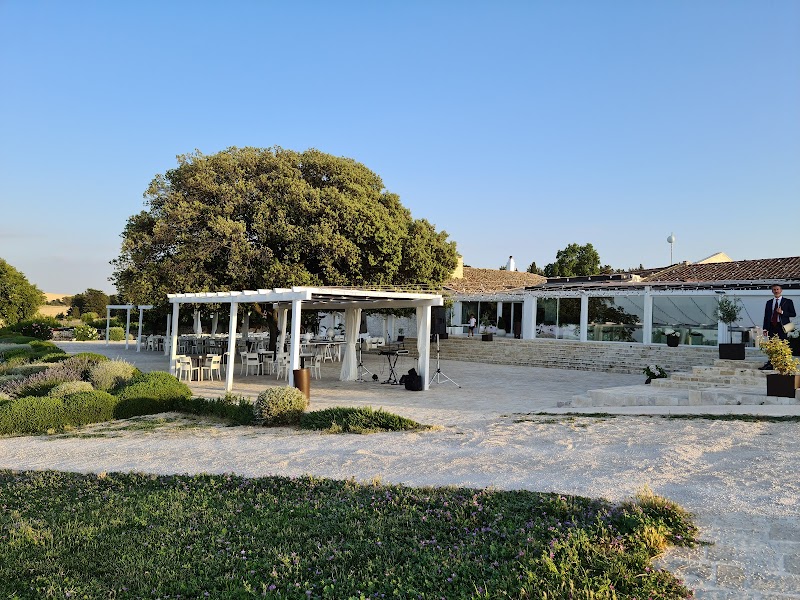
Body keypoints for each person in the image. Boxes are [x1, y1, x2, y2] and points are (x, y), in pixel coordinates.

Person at [759, 283, 796, 369]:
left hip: (782, 326)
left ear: (781, 290)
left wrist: (782, 312)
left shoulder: (788, 301)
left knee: (783, 344)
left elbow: (793, 314)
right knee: (772, 344)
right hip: (772, 325)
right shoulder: (769, 302)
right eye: (774, 290)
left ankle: (783, 363)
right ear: (772, 291)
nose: (776, 291)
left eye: (777, 289)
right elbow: (766, 316)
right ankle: (771, 363)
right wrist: (765, 328)